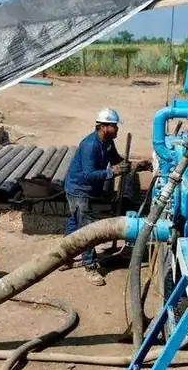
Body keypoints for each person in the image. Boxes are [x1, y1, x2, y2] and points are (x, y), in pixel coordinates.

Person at [64, 108, 151, 286]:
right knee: (87, 230)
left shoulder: (108, 142)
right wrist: (113, 172)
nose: (117, 129)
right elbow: (89, 174)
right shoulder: (90, 145)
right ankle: (90, 267)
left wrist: (136, 166)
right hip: (79, 189)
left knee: (74, 224)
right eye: (114, 126)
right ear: (103, 127)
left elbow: (118, 160)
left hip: (84, 189)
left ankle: (64, 257)